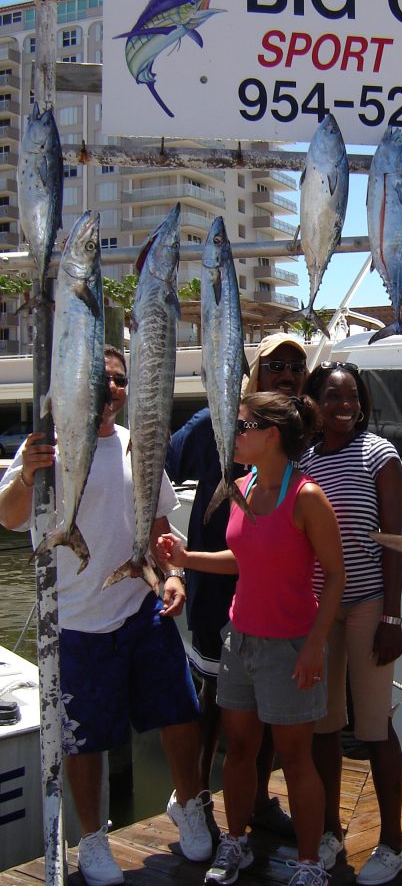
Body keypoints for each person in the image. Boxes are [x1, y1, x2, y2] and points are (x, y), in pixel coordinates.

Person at [0, 346, 210, 886]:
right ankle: (92, 839)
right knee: (84, 739)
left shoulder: (139, 446)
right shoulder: (48, 449)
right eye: (100, 379)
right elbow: (9, 517)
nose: (110, 389)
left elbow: (159, 522)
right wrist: (26, 474)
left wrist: (173, 575)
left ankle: (187, 804)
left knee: (182, 715)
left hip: (141, 608)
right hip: (77, 622)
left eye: (118, 381)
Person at [158, 392, 345, 886]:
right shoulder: (241, 486)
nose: (232, 438)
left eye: (240, 428)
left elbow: (335, 575)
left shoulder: (306, 496)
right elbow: (243, 560)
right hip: (239, 640)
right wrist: (186, 556)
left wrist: (313, 646)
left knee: (297, 758)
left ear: (271, 435)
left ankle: (308, 865)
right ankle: (236, 841)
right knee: (239, 750)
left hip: (289, 644)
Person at [166, 333, 308, 835]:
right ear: (255, 374)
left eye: (297, 366)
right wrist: (175, 563)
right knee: (212, 702)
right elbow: (157, 466)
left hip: (272, 597)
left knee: (266, 707)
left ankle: (259, 801)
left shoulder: (299, 432)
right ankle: (196, 801)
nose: (288, 374)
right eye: (276, 366)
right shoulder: (214, 423)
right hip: (217, 591)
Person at [301, 361, 402, 886]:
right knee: (323, 726)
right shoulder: (303, 459)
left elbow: (394, 542)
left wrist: (392, 614)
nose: (343, 406)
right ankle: (328, 831)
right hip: (322, 608)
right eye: (331, 397)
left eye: (351, 398)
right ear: (314, 402)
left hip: (369, 602)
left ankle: (394, 841)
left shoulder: (380, 455)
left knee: (373, 727)